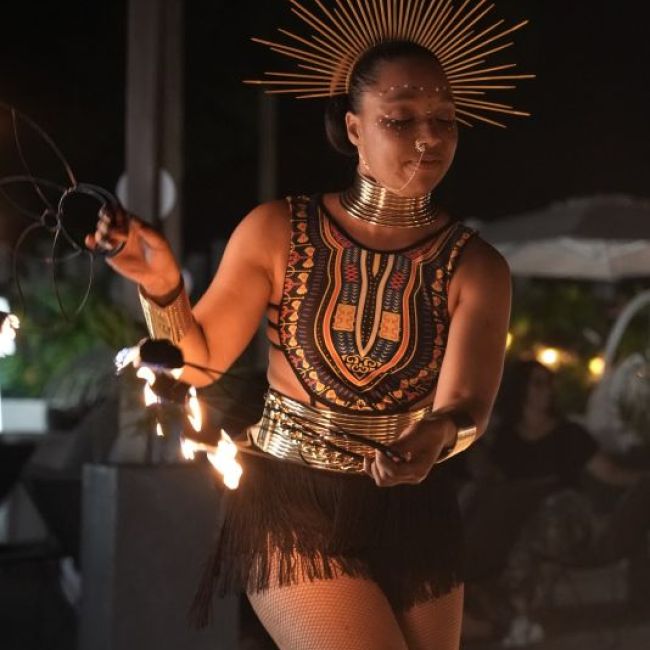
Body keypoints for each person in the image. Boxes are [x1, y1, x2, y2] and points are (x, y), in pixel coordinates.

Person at [85, 3, 531, 648]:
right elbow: (199, 365)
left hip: (415, 509)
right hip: (292, 501)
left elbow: (467, 405)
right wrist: (161, 284)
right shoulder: (277, 231)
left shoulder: (477, 266)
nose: (427, 138)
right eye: (400, 120)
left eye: (443, 120)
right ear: (354, 128)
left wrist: (437, 434)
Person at [462, 359, 650, 646]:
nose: (547, 390)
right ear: (522, 389)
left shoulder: (569, 434)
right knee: (490, 505)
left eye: (549, 383)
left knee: (543, 509)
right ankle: (490, 608)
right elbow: (491, 481)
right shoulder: (506, 438)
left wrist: (643, 477)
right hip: (513, 522)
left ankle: (510, 615)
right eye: (538, 383)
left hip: (562, 521)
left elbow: (610, 473)